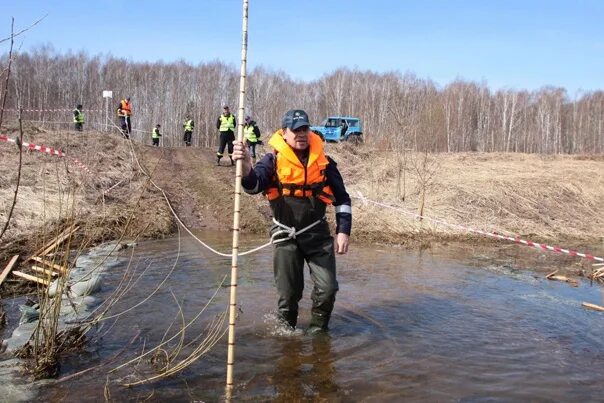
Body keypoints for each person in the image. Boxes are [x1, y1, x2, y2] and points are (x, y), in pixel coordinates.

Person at [232, 109, 352, 334]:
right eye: (295, 130)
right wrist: (246, 166)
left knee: (327, 289)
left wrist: (344, 230)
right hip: (285, 235)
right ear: (284, 133)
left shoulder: (325, 162)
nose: (301, 134)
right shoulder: (272, 160)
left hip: (317, 235)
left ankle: (318, 333)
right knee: (289, 294)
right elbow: (254, 186)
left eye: (304, 129)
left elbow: (343, 199)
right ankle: (286, 339)